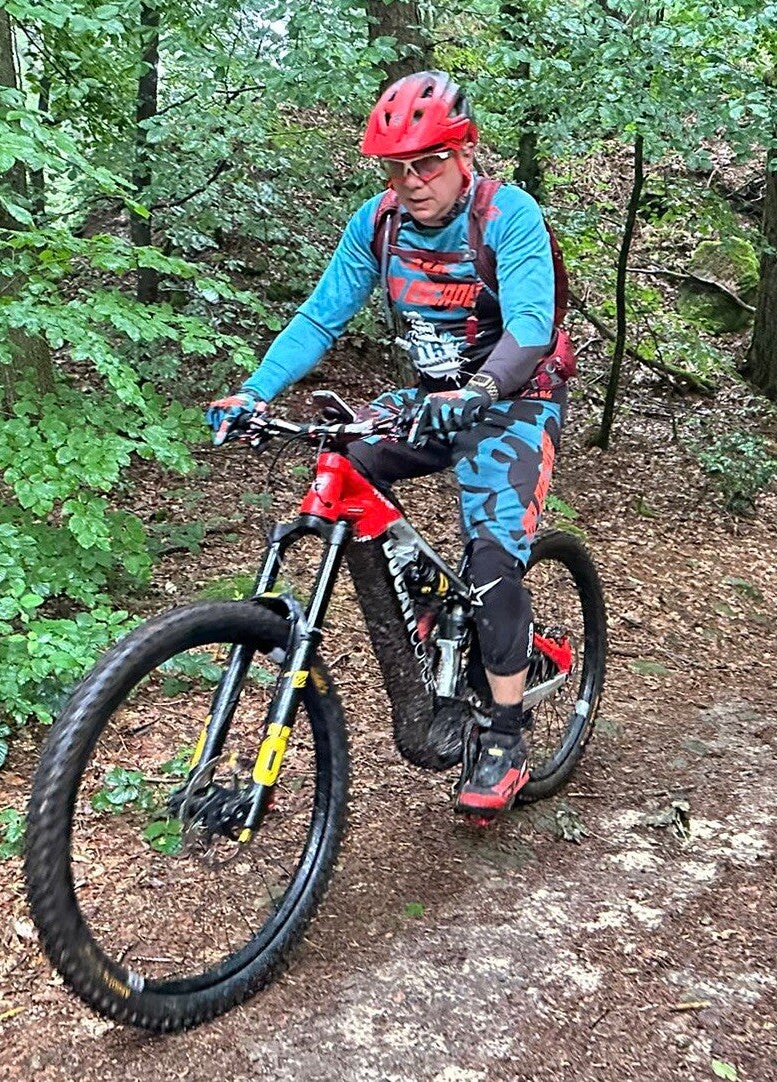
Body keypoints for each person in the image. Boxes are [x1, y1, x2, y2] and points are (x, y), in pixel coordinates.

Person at [207, 70, 573, 816]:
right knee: (344, 461)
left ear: (464, 153)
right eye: (395, 167)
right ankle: (425, 597)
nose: (410, 182)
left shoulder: (507, 215)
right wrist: (255, 391)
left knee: (492, 561)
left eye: (426, 163)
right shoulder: (376, 224)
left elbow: (532, 326)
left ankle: (504, 734)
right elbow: (320, 318)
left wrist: (479, 391)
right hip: (428, 398)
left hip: (514, 399)